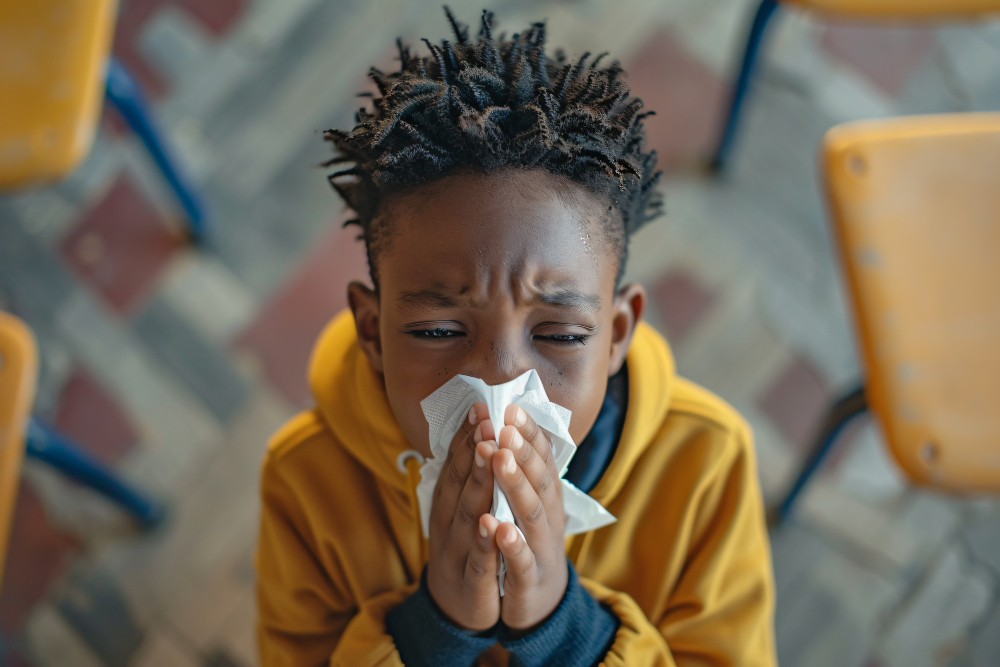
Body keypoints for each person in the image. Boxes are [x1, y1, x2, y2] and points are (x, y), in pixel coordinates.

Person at [256, 8, 776, 666]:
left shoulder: (704, 466)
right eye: (438, 329)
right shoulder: (307, 480)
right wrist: (432, 630)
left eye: (558, 334)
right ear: (372, 331)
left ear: (616, 333)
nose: (501, 379)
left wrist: (568, 629)